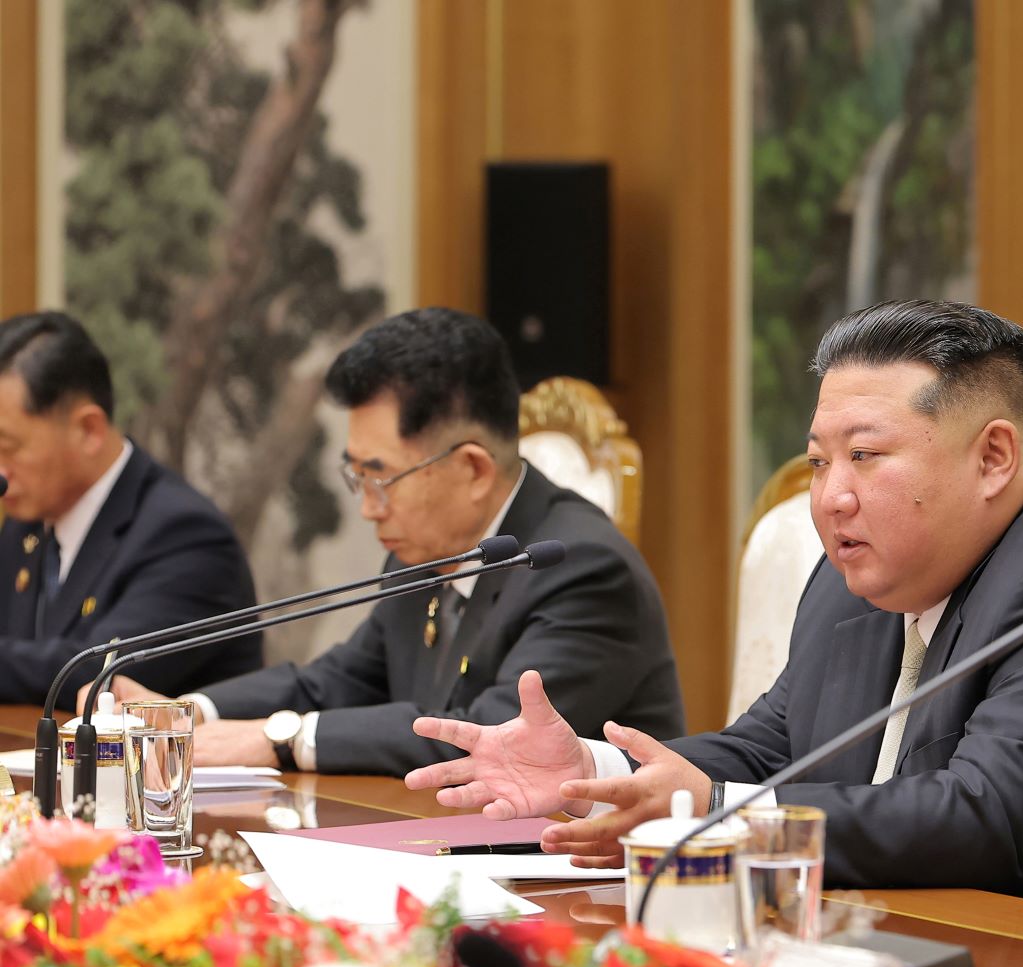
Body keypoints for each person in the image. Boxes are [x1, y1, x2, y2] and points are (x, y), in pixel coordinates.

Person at [406, 299, 1023, 930]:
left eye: (866, 456)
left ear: (993, 458)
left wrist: (714, 808)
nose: (831, 497)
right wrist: (594, 774)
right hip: (910, 957)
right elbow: (770, 750)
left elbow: (985, 816)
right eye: (820, 461)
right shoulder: (849, 579)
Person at [99, 308, 684, 778]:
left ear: (474, 470)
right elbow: (335, 682)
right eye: (356, 476)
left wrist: (279, 739)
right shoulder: (427, 551)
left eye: (381, 478)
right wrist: (189, 714)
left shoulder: (582, 569)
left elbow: (487, 740)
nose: (368, 507)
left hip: (574, 869)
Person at [0, 311, 260, 707]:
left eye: (7, 447)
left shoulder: (186, 533)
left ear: (88, 430)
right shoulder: (27, 524)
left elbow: (95, 673)